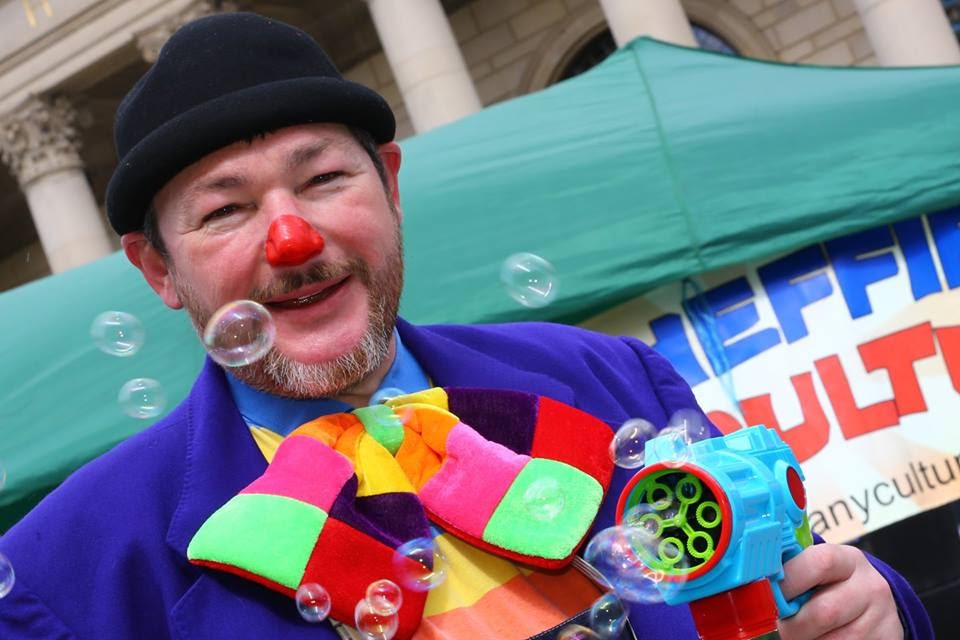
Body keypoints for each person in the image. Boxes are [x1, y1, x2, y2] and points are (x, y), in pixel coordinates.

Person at [0, 12, 931, 640]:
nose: (293, 239)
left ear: (393, 186)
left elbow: (795, 582)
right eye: (225, 212)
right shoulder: (62, 575)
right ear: (158, 269)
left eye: (325, 179)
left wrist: (872, 608)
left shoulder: (614, 383)